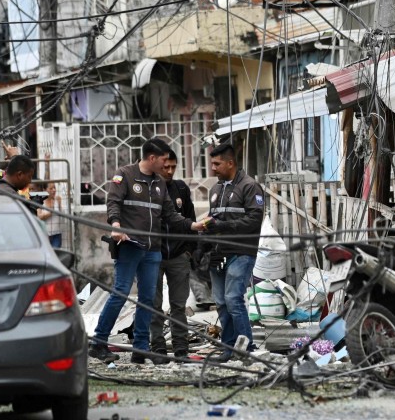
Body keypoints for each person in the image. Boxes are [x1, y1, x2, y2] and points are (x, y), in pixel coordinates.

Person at [89, 138, 199, 365]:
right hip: (129, 246)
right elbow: (113, 203)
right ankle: (98, 343)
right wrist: (116, 226)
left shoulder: (159, 183)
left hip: (152, 250)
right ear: (152, 158)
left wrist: (192, 226)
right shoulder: (125, 175)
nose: (167, 166)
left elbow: (170, 215)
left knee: (148, 300)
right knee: (120, 293)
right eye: (163, 161)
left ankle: (141, 349)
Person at [196, 142, 264, 363]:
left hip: (242, 252)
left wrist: (223, 226)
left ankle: (246, 348)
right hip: (218, 254)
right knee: (221, 302)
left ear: (230, 163)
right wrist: (202, 245)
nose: (213, 168)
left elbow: (254, 221)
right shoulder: (215, 190)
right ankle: (228, 349)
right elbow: (213, 222)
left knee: (233, 299)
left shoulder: (250, 186)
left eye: (216, 164)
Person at [149, 150, 197, 361]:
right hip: (153, 256)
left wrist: (189, 251)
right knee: (153, 305)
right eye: (165, 167)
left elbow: (191, 220)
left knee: (179, 306)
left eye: (173, 167)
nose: (169, 171)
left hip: (179, 256)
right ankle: (158, 348)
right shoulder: (148, 189)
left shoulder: (181, 189)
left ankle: (181, 349)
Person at [35, 181, 63, 248]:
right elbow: (39, 216)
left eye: (54, 188)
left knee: (56, 254)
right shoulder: (40, 201)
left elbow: (61, 215)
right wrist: (50, 212)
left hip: (57, 234)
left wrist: (59, 204)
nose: (54, 190)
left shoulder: (57, 200)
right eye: (51, 188)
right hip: (45, 235)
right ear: (45, 190)